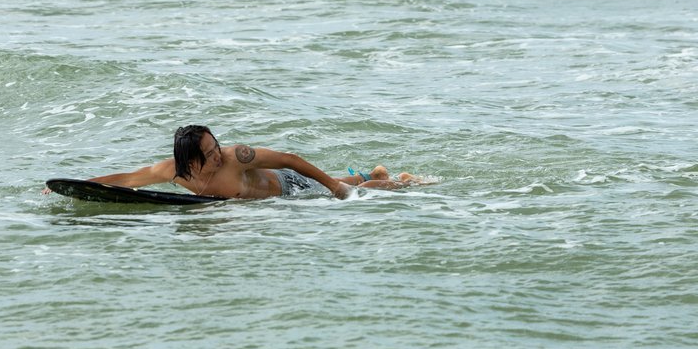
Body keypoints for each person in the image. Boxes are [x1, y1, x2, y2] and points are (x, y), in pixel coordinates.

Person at [44, 125, 425, 200]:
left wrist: (335, 188)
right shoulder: (173, 172)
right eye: (207, 155)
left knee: (353, 191)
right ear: (188, 161)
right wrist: (81, 183)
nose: (216, 156)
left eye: (216, 149)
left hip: (286, 189)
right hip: (268, 197)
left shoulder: (236, 155)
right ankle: (371, 173)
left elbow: (291, 159)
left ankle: (405, 182)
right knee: (351, 181)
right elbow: (130, 178)